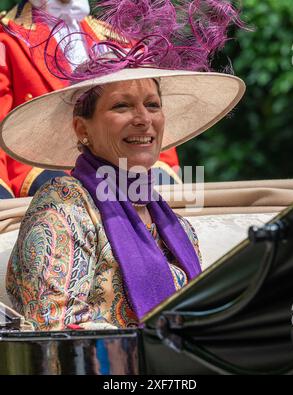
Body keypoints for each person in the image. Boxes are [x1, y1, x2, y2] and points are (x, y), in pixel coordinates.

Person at [2, 0, 245, 330]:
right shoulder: (61, 213)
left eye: (152, 105)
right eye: (121, 106)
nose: (144, 119)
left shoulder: (177, 226)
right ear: (81, 129)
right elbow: (57, 341)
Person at [0, 0, 181, 198]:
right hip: (45, 188)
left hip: (128, 184)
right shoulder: (6, 39)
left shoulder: (119, 40)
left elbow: (150, 112)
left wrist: (163, 178)